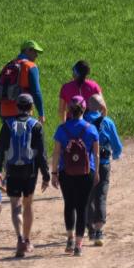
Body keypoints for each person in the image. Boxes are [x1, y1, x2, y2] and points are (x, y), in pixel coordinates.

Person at [0, 93, 50, 257]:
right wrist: (46, 175)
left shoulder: (7, 124)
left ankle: (19, 239)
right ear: (32, 108)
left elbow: (1, 150)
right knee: (28, 204)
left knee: (15, 205)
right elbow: (41, 154)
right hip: (30, 171)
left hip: (12, 170)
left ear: (17, 107)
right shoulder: (36, 126)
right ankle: (27, 240)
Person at [50, 95, 100, 257]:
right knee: (82, 206)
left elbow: (56, 153)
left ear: (69, 111)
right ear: (84, 109)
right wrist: (97, 172)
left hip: (66, 171)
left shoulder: (61, 129)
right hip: (87, 171)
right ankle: (79, 244)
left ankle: (70, 239)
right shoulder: (91, 129)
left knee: (69, 204)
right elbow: (97, 154)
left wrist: (54, 173)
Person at [84, 94, 122, 246]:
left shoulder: (82, 122)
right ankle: (99, 231)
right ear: (101, 107)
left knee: (88, 197)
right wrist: (116, 154)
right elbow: (117, 146)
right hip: (104, 163)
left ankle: (90, 228)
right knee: (101, 195)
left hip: (85, 166)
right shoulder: (107, 122)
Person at [0, 40, 46, 124]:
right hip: (22, 112)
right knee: (23, 137)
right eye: (35, 51)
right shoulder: (30, 66)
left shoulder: (8, 65)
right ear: (28, 50)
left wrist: (1, 112)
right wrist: (41, 113)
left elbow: (0, 89)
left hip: (4, 112)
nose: (36, 55)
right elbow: (36, 92)